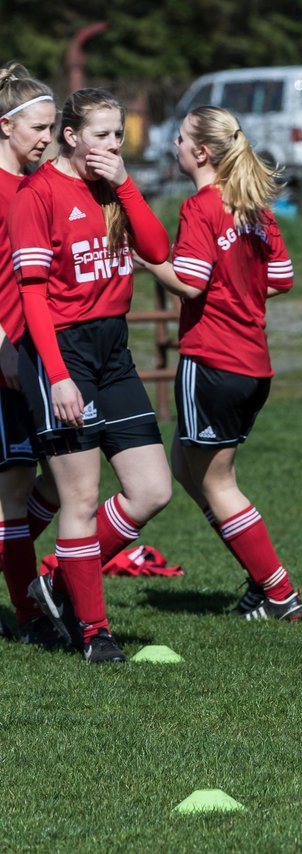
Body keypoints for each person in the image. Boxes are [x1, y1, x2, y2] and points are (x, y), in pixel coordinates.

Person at [10, 88, 173, 663]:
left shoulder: (113, 187)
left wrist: (126, 182)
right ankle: (95, 633)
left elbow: (158, 248)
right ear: (72, 135)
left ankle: (56, 582)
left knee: (153, 489)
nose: (112, 145)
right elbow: (31, 296)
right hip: (62, 354)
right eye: (102, 134)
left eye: (118, 135)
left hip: (113, 349)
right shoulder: (37, 193)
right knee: (78, 497)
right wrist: (57, 377)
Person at [137, 105, 302, 622]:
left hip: (213, 359)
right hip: (254, 364)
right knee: (186, 467)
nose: (175, 147)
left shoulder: (201, 207)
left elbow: (189, 281)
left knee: (216, 482)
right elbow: (281, 277)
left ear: (201, 152)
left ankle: (279, 593)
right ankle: (260, 582)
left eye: (181, 139)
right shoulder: (254, 207)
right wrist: (239, 290)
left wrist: (145, 259)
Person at [0, 62, 63, 646]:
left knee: (48, 483)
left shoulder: (32, 188)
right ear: (6, 125)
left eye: (52, 127)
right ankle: (29, 617)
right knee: (18, 489)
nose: (47, 137)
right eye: (39, 127)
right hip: (7, 363)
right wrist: (3, 346)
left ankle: (29, 605)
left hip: (30, 361)